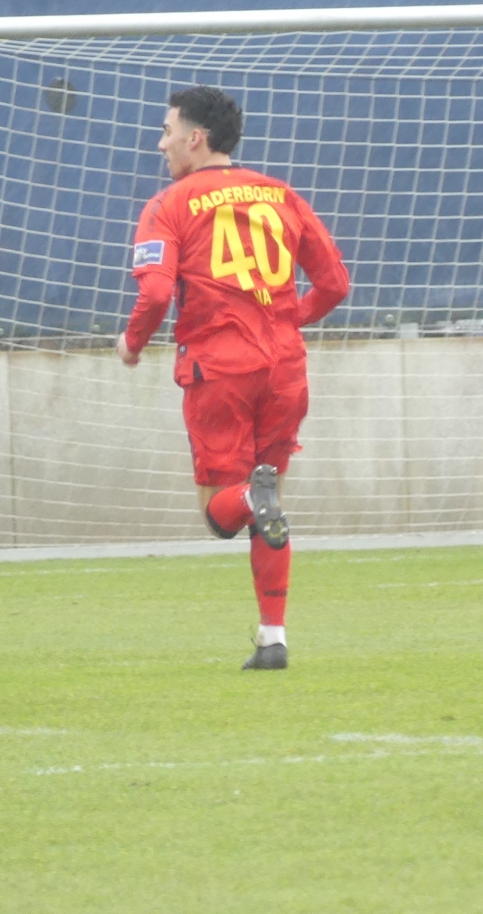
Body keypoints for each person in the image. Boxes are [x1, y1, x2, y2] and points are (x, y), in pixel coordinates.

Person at [118, 86, 350, 671]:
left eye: (168, 131)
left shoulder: (169, 204)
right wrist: (286, 319)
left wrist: (132, 342)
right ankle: (273, 640)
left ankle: (251, 496)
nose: (161, 143)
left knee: (222, 512)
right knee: (269, 507)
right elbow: (335, 284)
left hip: (220, 369)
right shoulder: (280, 194)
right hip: (285, 368)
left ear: (195, 138)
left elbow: (155, 293)